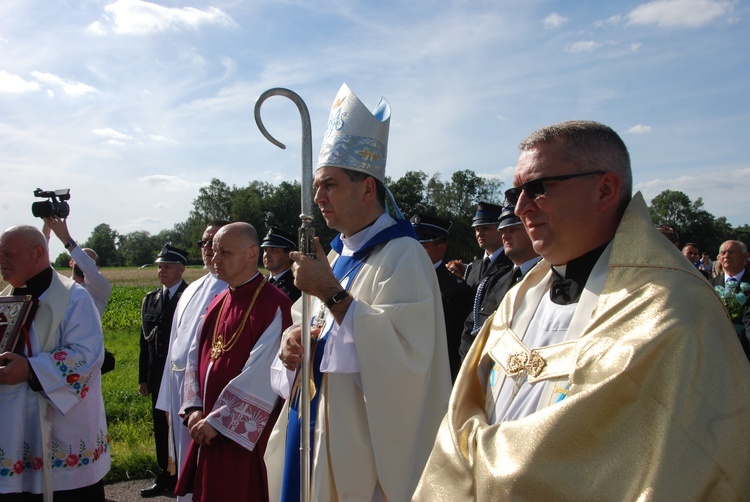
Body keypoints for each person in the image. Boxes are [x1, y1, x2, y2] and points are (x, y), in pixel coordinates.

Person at [414, 120, 750, 499]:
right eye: (516, 192)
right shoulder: (519, 297)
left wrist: (486, 460)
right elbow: (463, 410)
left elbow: (682, 468)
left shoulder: (675, 311)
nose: (520, 207)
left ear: (605, 189)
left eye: (538, 188)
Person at [267, 83, 451, 501]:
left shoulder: (404, 256)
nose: (318, 198)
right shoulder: (335, 256)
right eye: (316, 186)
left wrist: (333, 295)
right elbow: (307, 325)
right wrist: (292, 343)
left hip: (361, 451)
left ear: (368, 188)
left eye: (329, 185)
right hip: (314, 429)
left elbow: (409, 365)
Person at [175, 222, 293, 501]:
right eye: (214, 251)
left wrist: (218, 422)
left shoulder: (274, 304)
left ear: (252, 253)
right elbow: (195, 358)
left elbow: (263, 374)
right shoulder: (217, 301)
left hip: (245, 439)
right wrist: (193, 410)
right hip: (205, 425)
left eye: (224, 252)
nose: (215, 259)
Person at [0, 225, 110, 501]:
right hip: (11, 428)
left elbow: (87, 354)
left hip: (61, 430)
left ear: (38, 253)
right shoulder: (6, 298)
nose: (1, 261)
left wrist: (30, 369)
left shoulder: (74, 297)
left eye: (8, 254)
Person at [154, 221, 229, 502]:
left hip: (206, 393)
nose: (208, 249)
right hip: (178, 387)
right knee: (183, 460)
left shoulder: (234, 287)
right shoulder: (192, 289)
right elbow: (174, 345)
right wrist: (166, 399)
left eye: (215, 243)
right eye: (204, 243)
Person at [138, 244, 189, 498]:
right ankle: (165, 474)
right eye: (159, 266)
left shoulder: (189, 296)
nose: (162, 270)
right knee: (160, 425)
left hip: (180, 374)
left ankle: (183, 474)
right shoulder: (151, 299)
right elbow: (144, 343)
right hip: (157, 375)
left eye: (167, 266)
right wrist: (143, 378)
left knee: (180, 426)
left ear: (181, 269)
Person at [410, 213, 473, 382]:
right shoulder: (401, 280)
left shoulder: (457, 290)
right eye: (412, 245)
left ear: (441, 248)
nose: (414, 251)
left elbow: (455, 345)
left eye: (422, 246)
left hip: (437, 378)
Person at [42, 216, 112, 317]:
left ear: (97, 268)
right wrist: (47, 226)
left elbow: (89, 270)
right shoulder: (62, 286)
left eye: (91, 261)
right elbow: (42, 266)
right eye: (81, 258)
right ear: (71, 262)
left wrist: (66, 238)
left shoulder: (100, 290)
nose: (84, 262)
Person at [261, 227, 301, 303]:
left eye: (273, 250)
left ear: (289, 254)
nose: (267, 255)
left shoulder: (296, 287)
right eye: (265, 250)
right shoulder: (261, 283)